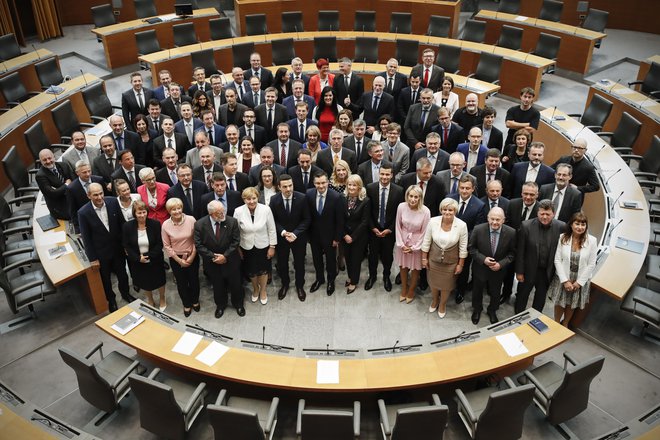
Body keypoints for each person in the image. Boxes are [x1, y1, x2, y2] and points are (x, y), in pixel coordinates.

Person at [78, 183, 135, 312]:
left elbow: (122, 224)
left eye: (101, 193)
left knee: (123, 274)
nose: (99, 197)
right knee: (106, 279)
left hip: (118, 249)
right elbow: (86, 238)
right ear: (89, 196)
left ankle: (126, 294)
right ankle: (112, 300)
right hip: (101, 253)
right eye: (95, 195)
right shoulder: (83, 213)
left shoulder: (113, 202)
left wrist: (126, 245)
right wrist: (93, 258)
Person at [194, 201, 245, 318]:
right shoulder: (200, 225)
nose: (223, 215)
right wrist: (214, 256)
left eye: (223, 211)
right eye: (219, 213)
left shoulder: (232, 222)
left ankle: (238, 304)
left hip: (231, 261)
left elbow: (236, 242)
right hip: (213, 263)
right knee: (218, 286)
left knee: (236, 284)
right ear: (211, 213)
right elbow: (199, 245)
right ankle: (220, 305)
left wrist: (225, 256)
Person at [515, 199, 566, 314]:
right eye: (542, 213)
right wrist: (519, 272)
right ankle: (517, 316)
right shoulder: (526, 226)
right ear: (537, 213)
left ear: (553, 214)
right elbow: (520, 251)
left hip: (546, 272)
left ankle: (534, 318)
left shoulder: (561, 227)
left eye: (548, 214)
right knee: (522, 295)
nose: (544, 217)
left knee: (540, 298)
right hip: (528, 270)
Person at [549, 212, 598, 328]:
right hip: (564, 277)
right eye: (577, 224)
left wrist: (579, 282)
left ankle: (565, 323)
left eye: (583, 224)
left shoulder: (592, 241)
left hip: (580, 279)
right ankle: (556, 322)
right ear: (571, 224)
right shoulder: (563, 237)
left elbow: (591, 264)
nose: (580, 227)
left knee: (572, 304)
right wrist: (565, 281)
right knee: (560, 302)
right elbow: (557, 260)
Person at [468, 207, 516, 324]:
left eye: (498, 220)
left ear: (503, 220)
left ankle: (492, 310)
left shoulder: (511, 232)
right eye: (492, 219)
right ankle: (477, 309)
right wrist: (483, 259)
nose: (495, 222)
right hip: (480, 268)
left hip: (498, 270)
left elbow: (512, 253)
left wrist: (501, 264)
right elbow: (471, 248)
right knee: (477, 290)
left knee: (495, 292)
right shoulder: (478, 229)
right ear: (488, 218)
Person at [421, 198, 468, 318]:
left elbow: (463, 248)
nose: (447, 212)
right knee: (433, 284)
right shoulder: (432, 221)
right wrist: (424, 258)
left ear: (455, 211)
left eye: (450, 210)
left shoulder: (462, 225)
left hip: (450, 263)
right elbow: (426, 241)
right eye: (444, 209)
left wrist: (460, 265)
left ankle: (442, 304)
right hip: (433, 261)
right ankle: (435, 300)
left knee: (446, 286)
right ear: (441, 210)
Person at [269, 174, 311, 301]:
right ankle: (285, 284)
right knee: (282, 263)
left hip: (298, 238)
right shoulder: (274, 200)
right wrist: (283, 232)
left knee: (299, 263)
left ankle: (299, 285)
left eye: (290, 185)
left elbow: (307, 219)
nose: (288, 189)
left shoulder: (302, 198)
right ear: (279, 187)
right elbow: (272, 220)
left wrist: (295, 233)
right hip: (282, 238)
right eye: (285, 186)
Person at [234, 187, 277, 305]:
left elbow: (272, 229)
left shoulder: (266, 209)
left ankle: (263, 290)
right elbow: (235, 232)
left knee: (263, 271)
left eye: (254, 198)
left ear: (258, 197)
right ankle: (256, 289)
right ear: (244, 200)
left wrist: (272, 247)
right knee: (252, 271)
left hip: (263, 245)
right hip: (246, 246)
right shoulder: (238, 211)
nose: (251, 201)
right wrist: (238, 248)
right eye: (248, 199)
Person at [365, 164, 405, 291]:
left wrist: (390, 229)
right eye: (382, 174)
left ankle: (386, 277)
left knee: (388, 256)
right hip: (374, 230)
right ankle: (372, 277)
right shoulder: (370, 188)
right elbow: (368, 212)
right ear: (379, 174)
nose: (384, 177)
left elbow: (399, 214)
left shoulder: (399, 190)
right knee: (372, 256)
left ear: (392, 175)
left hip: (389, 231)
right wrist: (372, 228)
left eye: (387, 174)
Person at [122, 200, 167, 310]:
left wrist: (148, 256)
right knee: (145, 282)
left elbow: (159, 243)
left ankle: (162, 298)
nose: (142, 215)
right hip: (139, 261)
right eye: (139, 213)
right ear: (134, 213)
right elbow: (127, 245)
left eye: (144, 212)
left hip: (155, 259)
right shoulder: (127, 226)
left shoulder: (155, 224)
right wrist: (138, 258)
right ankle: (150, 300)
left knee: (160, 280)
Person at [307, 172, 345, 295]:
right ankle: (319, 279)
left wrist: (337, 238)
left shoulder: (336, 197)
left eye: (323, 182)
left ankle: (330, 281)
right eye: (318, 183)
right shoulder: (309, 194)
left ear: (328, 182)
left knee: (330, 260)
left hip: (330, 236)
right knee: (316, 259)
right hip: (314, 236)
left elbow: (340, 220)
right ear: (314, 183)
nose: (321, 186)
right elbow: (307, 217)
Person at [162, 198, 199, 316]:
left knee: (194, 280)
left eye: (179, 208)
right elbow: (167, 246)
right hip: (176, 258)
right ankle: (186, 304)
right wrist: (179, 261)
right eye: (173, 209)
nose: (177, 211)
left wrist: (192, 256)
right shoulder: (165, 225)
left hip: (192, 255)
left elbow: (196, 239)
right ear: (169, 211)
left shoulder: (191, 220)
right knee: (181, 283)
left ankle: (195, 301)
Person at [395, 186, 430, 303]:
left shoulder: (425, 211)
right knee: (403, 267)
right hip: (403, 241)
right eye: (411, 196)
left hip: (417, 242)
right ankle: (404, 288)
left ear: (420, 198)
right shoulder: (401, 206)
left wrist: (414, 248)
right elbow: (398, 226)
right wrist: (401, 244)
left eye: (416, 197)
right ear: (407, 196)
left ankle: (411, 290)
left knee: (415, 269)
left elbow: (425, 231)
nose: (413, 199)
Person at [342, 174, 371, 294]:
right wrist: (344, 235)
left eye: (354, 185)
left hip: (358, 237)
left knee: (355, 259)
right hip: (345, 236)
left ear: (359, 187)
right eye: (349, 184)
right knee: (347, 258)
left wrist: (353, 237)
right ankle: (350, 277)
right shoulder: (342, 198)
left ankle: (354, 282)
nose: (351, 187)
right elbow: (339, 218)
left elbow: (365, 222)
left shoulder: (365, 201)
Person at [67, 160, 106, 233]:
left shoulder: (99, 180)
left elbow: (106, 198)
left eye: (89, 171)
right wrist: (78, 229)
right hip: (87, 221)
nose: (88, 174)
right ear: (77, 173)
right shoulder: (72, 188)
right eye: (84, 172)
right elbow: (73, 210)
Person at [36, 149, 71, 219]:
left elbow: (73, 181)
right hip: (59, 206)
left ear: (54, 157)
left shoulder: (63, 165)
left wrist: (59, 189)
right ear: (41, 162)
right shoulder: (40, 176)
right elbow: (53, 193)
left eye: (49, 158)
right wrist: (66, 185)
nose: (48, 161)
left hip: (70, 198)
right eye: (44, 160)